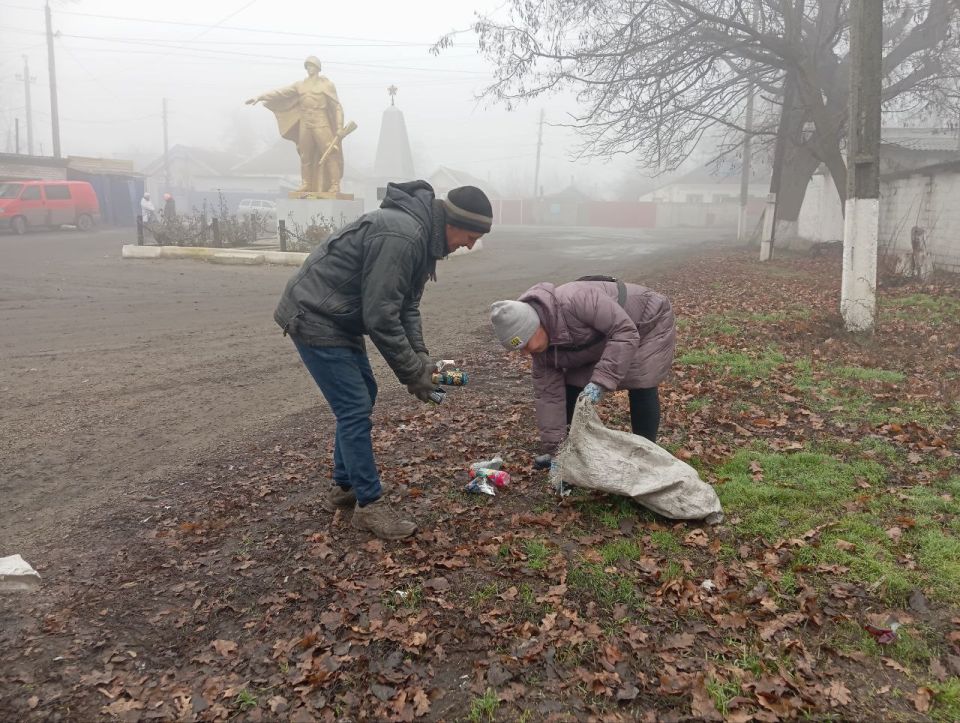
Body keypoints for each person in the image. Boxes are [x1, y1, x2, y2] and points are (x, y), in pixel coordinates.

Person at [274, 181, 492, 540]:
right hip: (314, 313)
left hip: (339, 315)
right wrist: (412, 375)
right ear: (451, 222)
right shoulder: (404, 236)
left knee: (362, 397)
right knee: (354, 406)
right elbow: (381, 316)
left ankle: (343, 487)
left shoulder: (423, 240)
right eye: (469, 236)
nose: (469, 245)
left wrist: (421, 360)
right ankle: (369, 505)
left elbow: (407, 306)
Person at [490, 277, 676, 459]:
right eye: (518, 349)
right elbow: (549, 397)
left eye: (524, 344)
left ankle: (645, 454)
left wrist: (601, 381)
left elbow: (624, 333)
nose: (525, 352)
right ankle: (570, 453)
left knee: (640, 380)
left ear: (535, 325)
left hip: (646, 320)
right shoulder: (541, 351)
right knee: (572, 384)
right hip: (596, 338)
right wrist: (556, 452)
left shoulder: (576, 300)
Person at [246, 56, 344, 194]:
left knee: (329, 153)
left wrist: (339, 127)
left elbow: (336, 107)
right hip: (305, 123)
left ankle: (335, 185)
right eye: (307, 66)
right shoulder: (300, 85)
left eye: (312, 65)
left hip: (321, 122)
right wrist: (260, 96)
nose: (309, 68)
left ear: (318, 68)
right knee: (305, 155)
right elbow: (280, 93)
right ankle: (306, 184)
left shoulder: (327, 85)